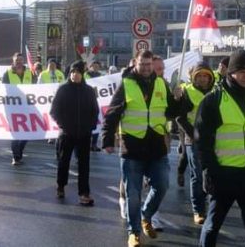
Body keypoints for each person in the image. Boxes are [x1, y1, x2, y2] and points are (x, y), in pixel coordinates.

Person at [195, 49, 245, 247]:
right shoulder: (213, 101)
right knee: (212, 226)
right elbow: (202, 142)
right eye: (241, 72)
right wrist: (208, 171)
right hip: (224, 174)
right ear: (230, 72)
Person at [101, 50, 181, 247]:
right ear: (136, 64)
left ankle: (146, 216)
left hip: (156, 146)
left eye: (149, 65)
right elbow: (112, 113)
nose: (146, 68)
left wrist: (180, 99)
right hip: (133, 147)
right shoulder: (127, 83)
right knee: (133, 194)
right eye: (142, 64)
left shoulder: (161, 83)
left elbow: (172, 112)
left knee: (162, 186)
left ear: (153, 65)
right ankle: (134, 232)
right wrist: (107, 139)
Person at [50, 60, 99, 205]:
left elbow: (94, 111)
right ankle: (60, 185)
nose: (74, 75)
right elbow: (54, 111)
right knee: (63, 161)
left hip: (84, 134)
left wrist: (89, 127)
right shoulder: (63, 89)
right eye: (72, 72)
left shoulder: (89, 91)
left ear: (82, 74)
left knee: (84, 164)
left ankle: (84, 192)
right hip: (66, 133)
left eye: (77, 72)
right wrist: (63, 126)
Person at [176, 61, 215, 225]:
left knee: (211, 175)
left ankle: (209, 205)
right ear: (194, 77)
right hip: (193, 140)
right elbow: (180, 117)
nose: (203, 79)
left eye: (206, 76)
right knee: (197, 176)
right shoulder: (187, 92)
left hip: (214, 141)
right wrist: (194, 135)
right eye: (199, 76)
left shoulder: (216, 91)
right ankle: (198, 210)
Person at [2, 52, 36, 165]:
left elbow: (37, 88)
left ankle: (19, 151)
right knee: (15, 133)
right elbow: (3, 89)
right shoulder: (7, 73)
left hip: (27, 107)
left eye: (21, 60)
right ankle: (15, 157)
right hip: (13, 107)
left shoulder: (30, 73)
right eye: (17, 60)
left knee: (27, 133)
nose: (19, 62)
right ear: (13, 61)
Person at [84, 60, 102, 152]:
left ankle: (94, 144)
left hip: (98, 103)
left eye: (97, 66)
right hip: (87, 103)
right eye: (94, 66)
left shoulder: (101, 76)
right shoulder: (86, 75)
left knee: (97, 124)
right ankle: (87, 144)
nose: (95, 67)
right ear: (91, 66)